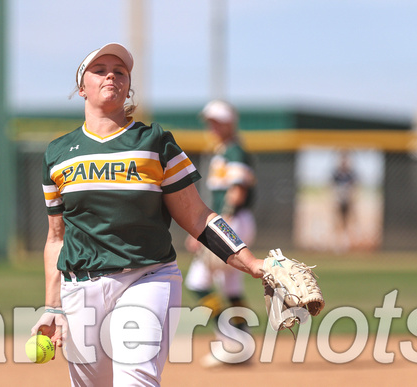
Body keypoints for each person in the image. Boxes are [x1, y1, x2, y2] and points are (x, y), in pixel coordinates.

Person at [30, 42, 266, 386]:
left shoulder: (154, 142)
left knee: (136, 378)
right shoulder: (58, 154)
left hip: (148, 276)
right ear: (82, 88)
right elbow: (57, 238)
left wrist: (252, 262)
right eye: (99, 70)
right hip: (81, 286)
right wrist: (52, 306)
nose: (111, 74)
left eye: (120, 71)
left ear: (127, 86)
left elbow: (199, 216)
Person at [183, 100, 257, 367]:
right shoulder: (225, 150)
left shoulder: (233, 152)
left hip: (232, 220)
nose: (211, 126)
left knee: (198, 282)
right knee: (231, 285)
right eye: (210, 122)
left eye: (217, 122)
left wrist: (212, 230)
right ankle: (241, 345)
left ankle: (231, 339)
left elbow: (237, 191)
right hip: (234, 220)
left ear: (230, 123)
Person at [331, 151, 357, 251]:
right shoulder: (336, 174)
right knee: (337, 222)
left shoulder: (351, 174)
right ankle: (337, 244)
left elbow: (355, 188)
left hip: (348, 200)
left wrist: (352, 198)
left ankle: (347, 243)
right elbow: (331, 187)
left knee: (348, 222)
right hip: (338, 200)